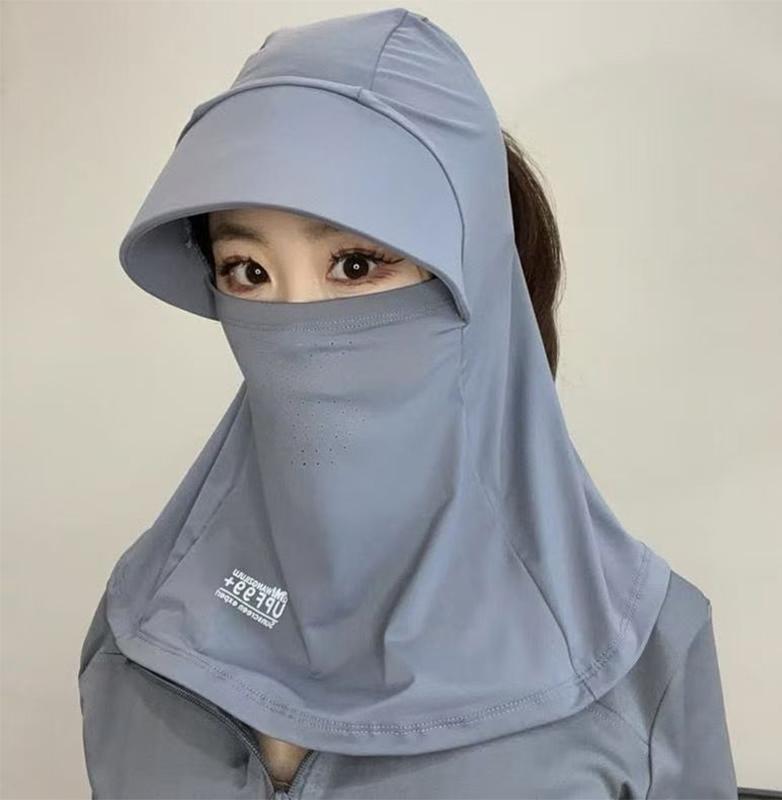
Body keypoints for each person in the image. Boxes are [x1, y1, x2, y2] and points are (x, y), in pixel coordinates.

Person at [78, 8, 738, 798]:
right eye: (247, 270)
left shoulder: (639, 663)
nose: (295, 320)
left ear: (473, 288)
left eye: (356, 264)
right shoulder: (141, 628)